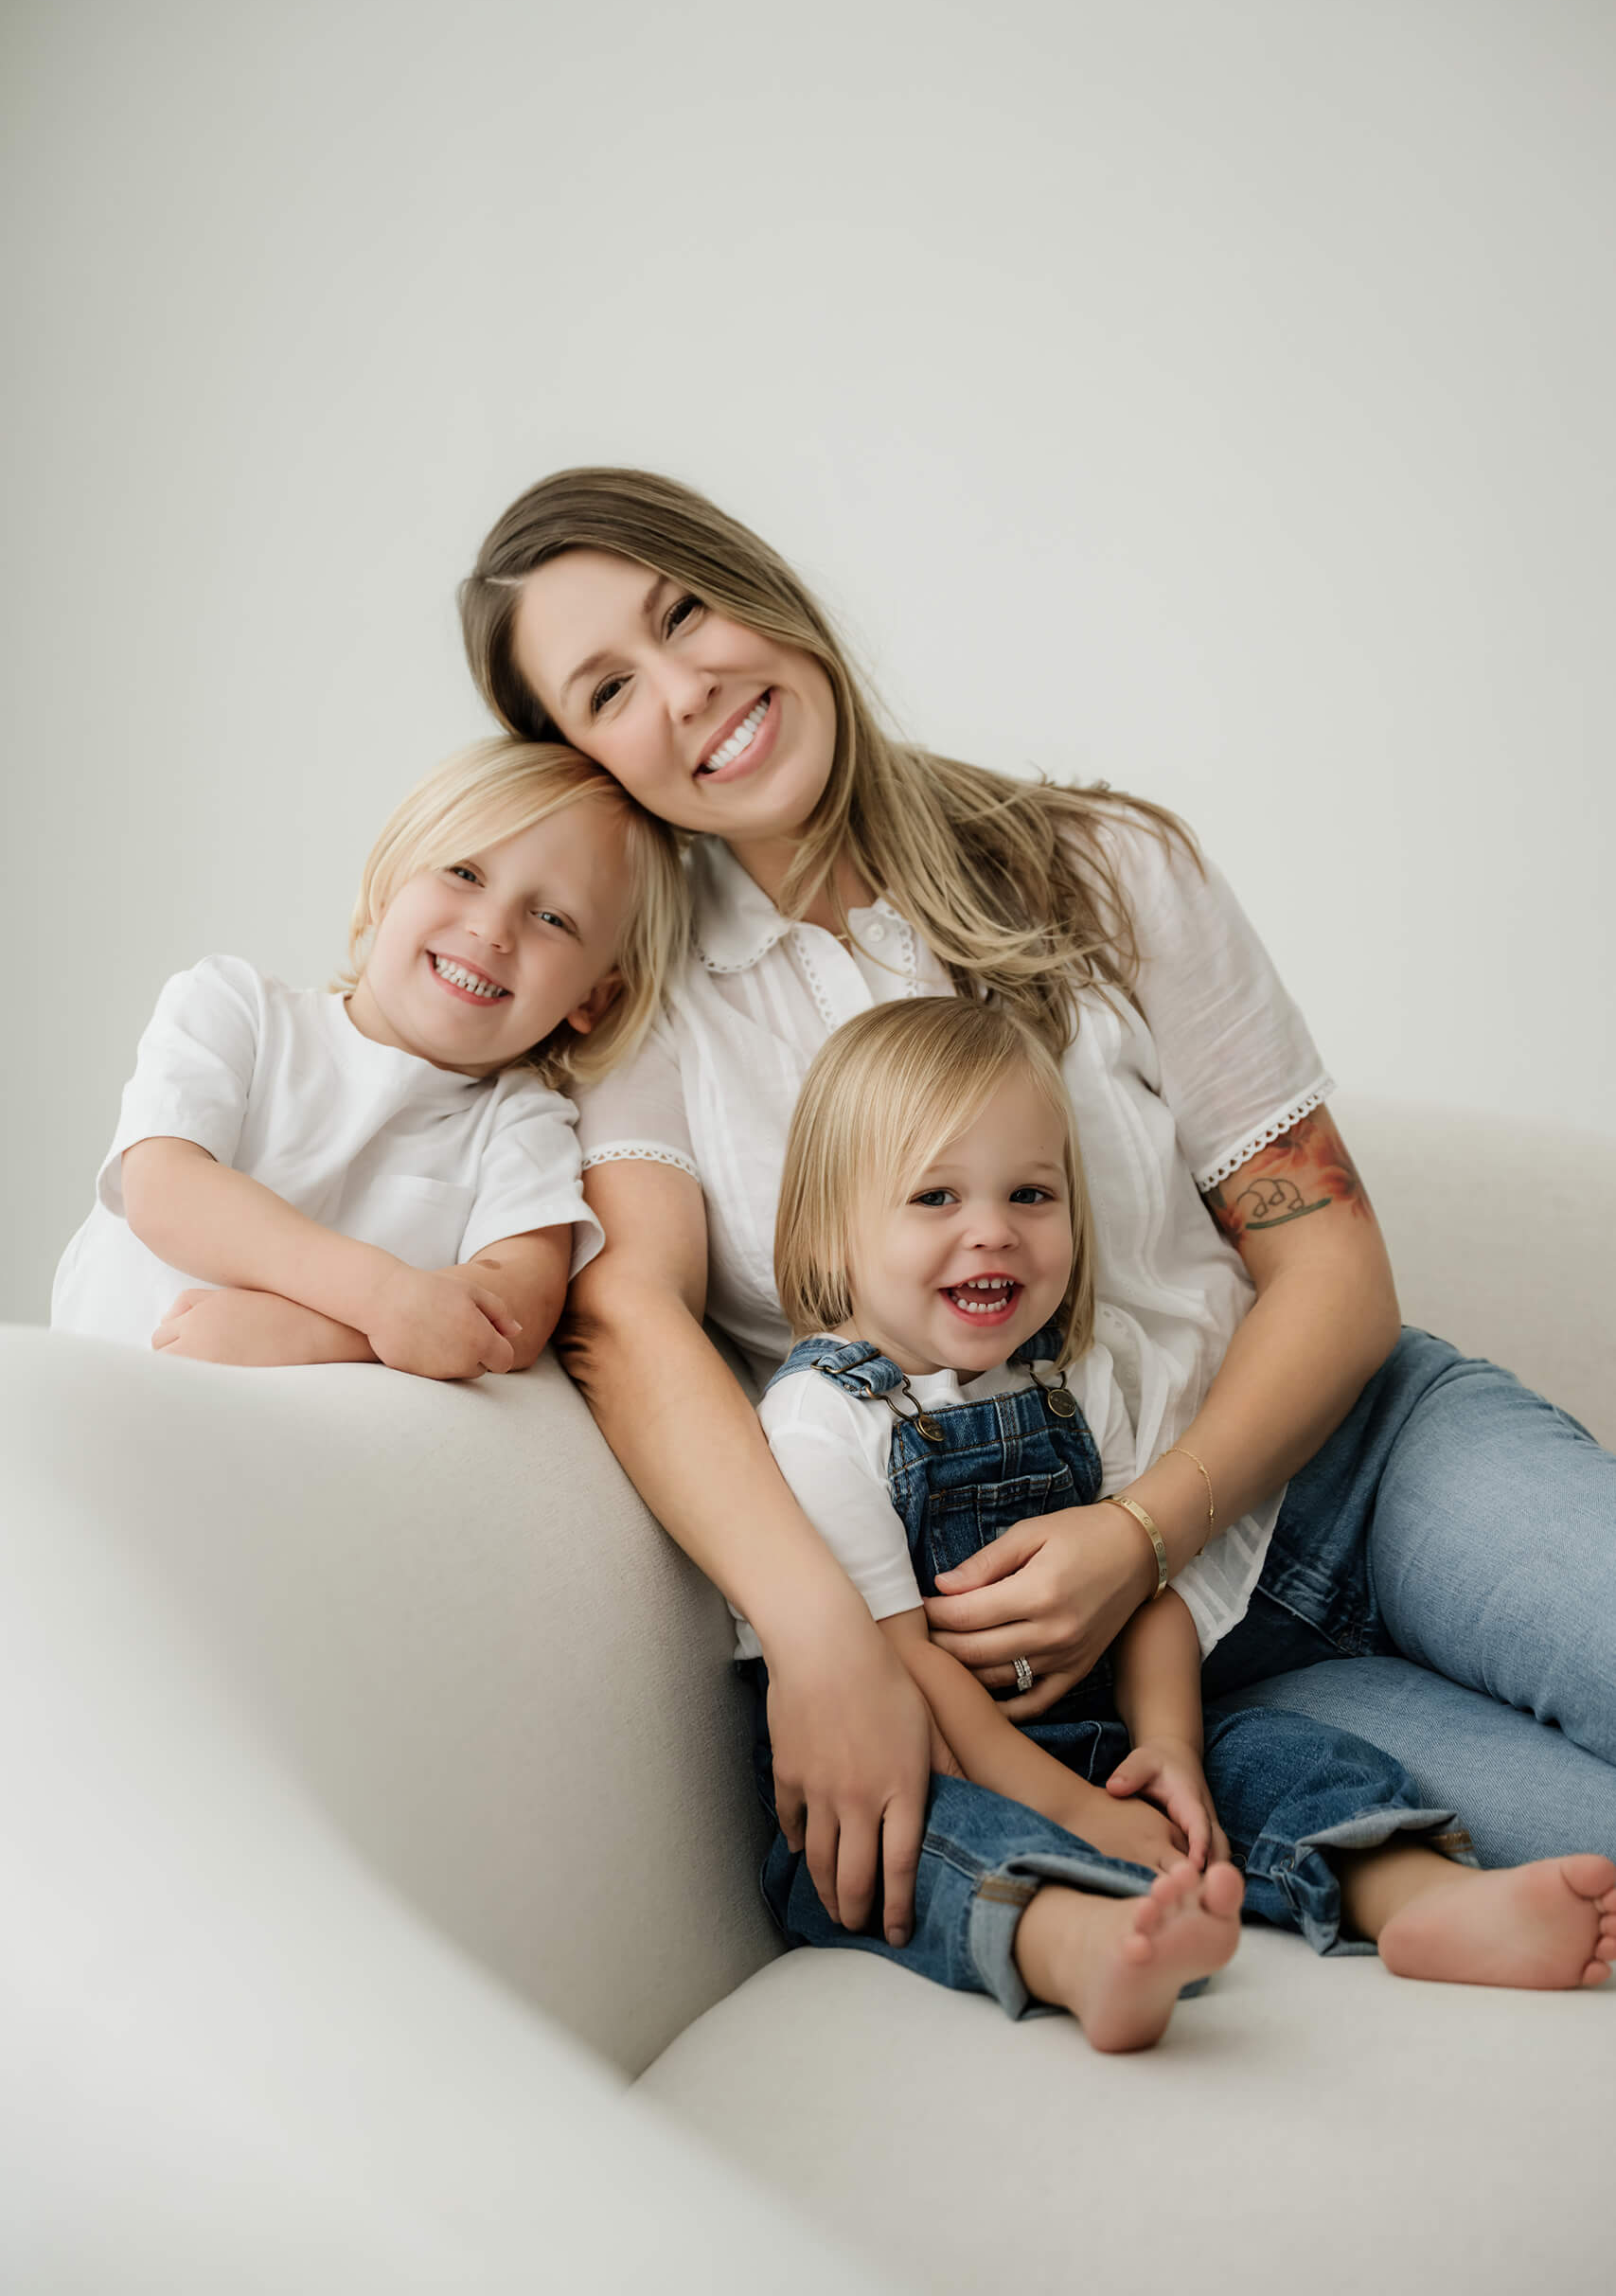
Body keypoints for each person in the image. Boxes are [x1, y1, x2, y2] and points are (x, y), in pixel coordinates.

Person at [459, 465, 1616, 1949]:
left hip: (1358, 1465)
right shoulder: (642, 1012)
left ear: (763, 589)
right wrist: (820, 1635)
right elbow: (628, 1322)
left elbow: (1325, 1254)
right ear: (580, 756)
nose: (685, 693)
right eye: (609, 687)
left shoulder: (1104, 865)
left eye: (687, 612)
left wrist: (1137, 1531)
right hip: (1160, 1694)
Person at [745, 994, 1615, 2048]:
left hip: (1109, 1729)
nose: (994, 1230)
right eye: (935, 1196)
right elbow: (909, 1678)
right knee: (925, 1842)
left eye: (1031, 1193)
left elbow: (1143, 1582)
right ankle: (1080, 1946)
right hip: (932, 1754)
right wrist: (1078, 1816)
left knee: (1278, 1757)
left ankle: (1424, 1898)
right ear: (833, 1226)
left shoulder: (1074, 1381)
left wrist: (1168, 1750)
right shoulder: (824, 1416)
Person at [52, 739, 685, 1378]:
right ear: (387, 885)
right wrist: (379, 1297)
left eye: (551, 917)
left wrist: (314, 1334)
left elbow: (516, 1311)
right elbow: (165, 1192)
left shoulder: (521, 1123)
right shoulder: (236, 1007)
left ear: (593, 999)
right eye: (464, 874)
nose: (491, 929)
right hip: (105, 1406)